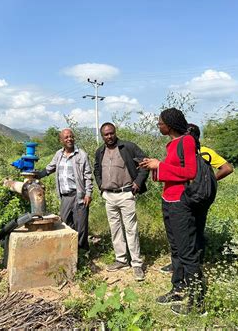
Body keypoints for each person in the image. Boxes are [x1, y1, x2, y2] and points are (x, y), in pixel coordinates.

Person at [140, 108, 206, 315]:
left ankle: (197, 303)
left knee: (187, 253)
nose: (158, 125)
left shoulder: (186, 141)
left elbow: (190, 173)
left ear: (170, 123)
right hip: (168, 200)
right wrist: (154, 168)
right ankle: (178, 289)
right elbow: (171, 174)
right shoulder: (172, 145)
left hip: (181, 204)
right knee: (176, 249)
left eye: (160, 122)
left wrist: (160, 164)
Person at [159, 123, 234, 274]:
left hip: (191, 198)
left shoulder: (197, 151)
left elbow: (227, 168)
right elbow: (227, 168)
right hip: (193, 197)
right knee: (193, 231)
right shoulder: (203, 151)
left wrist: (208, 181)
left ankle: (192, 267)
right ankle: (185, 265)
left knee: (191, 233)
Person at [94, 122, 149, 281]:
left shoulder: (128, 147)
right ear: (102, 136)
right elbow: (97, 169)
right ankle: (121, 260)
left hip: (125, 194)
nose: (109, 136)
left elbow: (145, 164)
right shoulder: (100, 151)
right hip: (109, 196)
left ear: (115, 132)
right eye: (106, 134)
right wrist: (101, 186)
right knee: (115, 229)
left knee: (131, 229)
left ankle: (137, 264)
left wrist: (138, 182)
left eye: (111, 133)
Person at [38, 128, 93, 250]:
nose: (69, 139)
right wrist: (36, 175)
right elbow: (50, 168)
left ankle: (82, 251)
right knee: (65, 224)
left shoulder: (81, 155)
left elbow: (88, 176)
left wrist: (88, 193)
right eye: (66, 137)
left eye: (71, 137)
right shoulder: (59, 154)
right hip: (65, 197)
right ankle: (69, 250)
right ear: (61, 140)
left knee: (81, 226)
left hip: (79, 195)